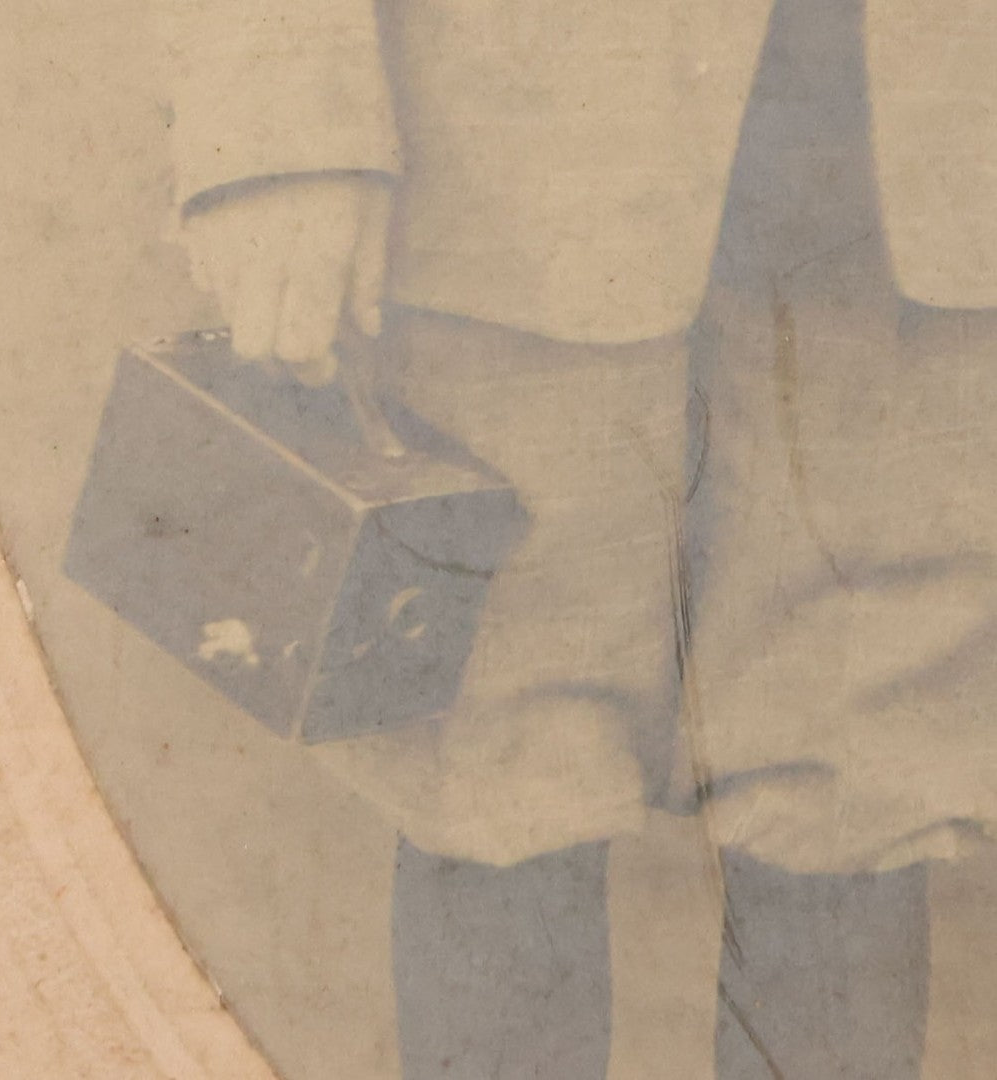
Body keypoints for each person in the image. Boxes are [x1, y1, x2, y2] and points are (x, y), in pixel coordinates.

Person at [154, 0, 997, 1075]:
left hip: (922, 155)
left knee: (863, 787)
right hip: (512, 160)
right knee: (504, 773)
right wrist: (272, 116)